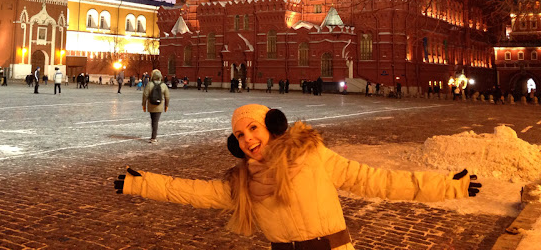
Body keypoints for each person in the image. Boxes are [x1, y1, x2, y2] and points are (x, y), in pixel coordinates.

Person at [114, 104, 481, 249]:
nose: (247, 139)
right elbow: (194, 192)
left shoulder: (312, 156)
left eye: (253, 129)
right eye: (240, 136)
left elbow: (380, 182)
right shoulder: (243, 184)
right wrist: (140, 182)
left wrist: (452, 185)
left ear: (273, 125)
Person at [142, 69, 170, 143]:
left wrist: (144, 105)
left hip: (151, 105)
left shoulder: (149, 84)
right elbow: (167, 96)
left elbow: (145, 95)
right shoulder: (163, 85)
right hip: (159, 106)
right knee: (155, 121)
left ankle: (153, 136)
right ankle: (154, 137)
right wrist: (166, 105)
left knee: (153, 120)